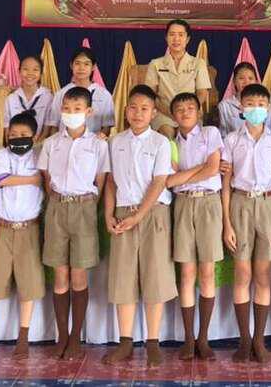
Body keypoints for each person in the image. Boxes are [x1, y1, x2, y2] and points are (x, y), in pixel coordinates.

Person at [103, 85, 178, 366]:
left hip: (153, 212)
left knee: (154, 276)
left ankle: (153, 342)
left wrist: (139, 216)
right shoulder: (115, 142)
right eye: (133, 108)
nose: (138, 113)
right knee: (124, 278)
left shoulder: (160, 143)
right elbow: (111, 182)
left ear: (154, 113)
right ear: (125, 111)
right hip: (124, 213)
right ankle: (125, 342)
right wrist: (109, 215)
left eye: (144, 109)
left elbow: (159, 182)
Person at [38, 86, 110, 360]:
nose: (71, 113)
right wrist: (57, 198)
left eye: (77, 109)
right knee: (60, 276)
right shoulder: (51, 143)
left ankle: (76, 337)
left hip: (84, 209)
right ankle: (62, 336)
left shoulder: (98, 144)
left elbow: (101, 180)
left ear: (88, 112)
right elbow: (46, 178)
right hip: (57, 207)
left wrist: (88, 203)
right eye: (67, 109)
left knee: (79, 275)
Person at [0, 112, 45, 359]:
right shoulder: (1, 156)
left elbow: (45, 181)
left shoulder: (40, 155)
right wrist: (32, 179)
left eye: (23, 135)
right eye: (13, 134)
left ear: (35, 136)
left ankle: (23, 339)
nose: (17, 139)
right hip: (2, 228)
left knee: (28, 287)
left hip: (29, 229)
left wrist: (32, 180)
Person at [221, 83, 271, 363]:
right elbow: (225, 184)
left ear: (268, 108)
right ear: (241, 108)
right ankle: (244, 340)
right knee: (242, 273)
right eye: (250, 104)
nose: (256, 109)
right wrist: (227, 223)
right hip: (240, 203)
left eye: (261, 104)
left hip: (268, 205)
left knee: (262, 274)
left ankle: (259, 340)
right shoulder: (231, 140)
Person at [167, 92, 225, 361]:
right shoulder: (170, 143)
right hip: (183, 205)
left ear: (199, 111)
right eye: (179, 109)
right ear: (173, 115)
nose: (185, 112)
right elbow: (170, 181)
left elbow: (213, 169)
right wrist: (198, 170)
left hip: (209, 203)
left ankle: (204, 338)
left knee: (207, 272)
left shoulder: (210, 133)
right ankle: (189, 339)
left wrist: (185, 176)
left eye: (190, 107)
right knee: (187, 273)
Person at [144, 19, 212, 138]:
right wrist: (170, 112)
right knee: (167, 134)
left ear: (187, 39)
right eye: (172, 34)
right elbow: (150, 94)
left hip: (189, 112)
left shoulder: (198, 63)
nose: (176, 39)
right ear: (166, 38)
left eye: (181, 35)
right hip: (164, 112)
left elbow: (202, 92)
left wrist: (188, 109)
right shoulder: (155, 64)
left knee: (188, 135)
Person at [43, 46, 115, 138]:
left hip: (92, 143)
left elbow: (107, 126)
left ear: (93, 67)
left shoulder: (104, 95)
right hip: (65, 141)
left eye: (86, 64)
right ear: (71, 65)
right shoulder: (61, 93)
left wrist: (95, 141)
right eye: (77, 63)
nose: (81, 68)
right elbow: (54, 125)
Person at [3, 55, 53, 141]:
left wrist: (37, 144)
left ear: (41, 73)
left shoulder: (48, 97)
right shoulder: (11, 98)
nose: (30, 73)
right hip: (16, 145)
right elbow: (7, 127)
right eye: (25, 69)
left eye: (35, 69)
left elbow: (47, 129)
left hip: (39, 144)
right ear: (19, 71)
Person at [217, 62, 267, 136]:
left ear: (256, 81)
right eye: (241, 78)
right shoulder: (224, 106)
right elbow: (222, 134)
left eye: (250, 78)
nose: (246, 82)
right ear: (234, 81)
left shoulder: (263, 105)